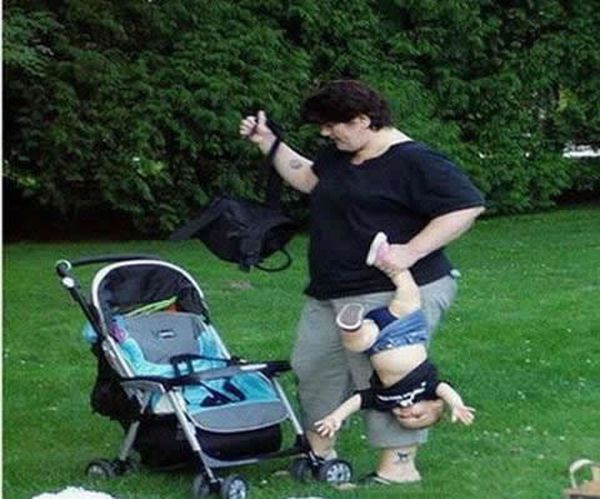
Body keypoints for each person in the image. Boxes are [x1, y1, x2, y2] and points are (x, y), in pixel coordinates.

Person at [239, 80, 485, 484]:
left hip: (395, 291)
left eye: (331, 125)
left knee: (388, 375)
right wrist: (268, 142)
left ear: (362, 120)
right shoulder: (341, 155)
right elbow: (309, 179)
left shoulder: (414, 160)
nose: (325, 133)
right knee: (313, 366)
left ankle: (399, 466)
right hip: (332, 289)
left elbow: (466, 205)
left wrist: (411, 251)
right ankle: (319, 455)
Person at [314, 232, 475, 451]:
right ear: (433, 403)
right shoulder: (427, 388)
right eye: (418, 415)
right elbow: (444, 388)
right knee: (409, 292)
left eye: (403, 418)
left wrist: (335, 417)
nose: (407, 413)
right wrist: (456, 404)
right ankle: (385, 258)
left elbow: (359, 400)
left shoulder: (385, 399)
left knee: (357, 343)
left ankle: (351, 325)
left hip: (377, 343)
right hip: (406, 330)